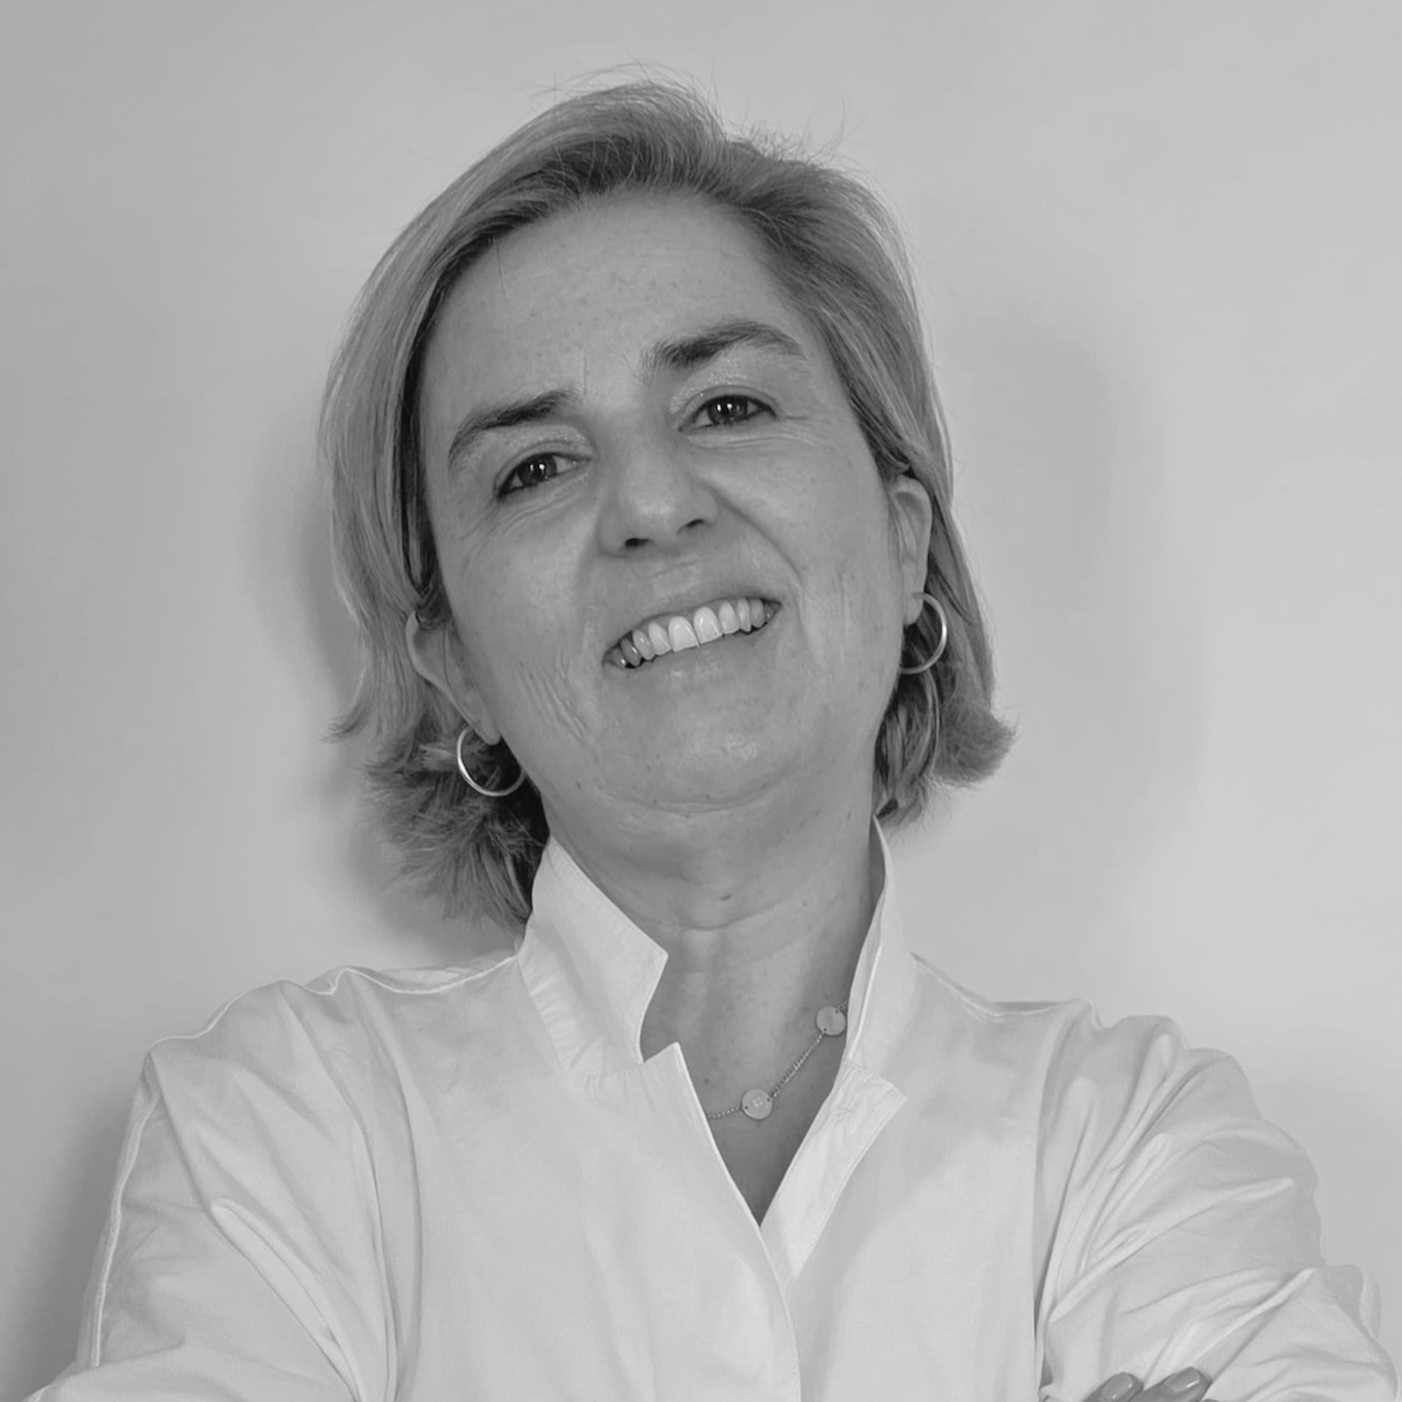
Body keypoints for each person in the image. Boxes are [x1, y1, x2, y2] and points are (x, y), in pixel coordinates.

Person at [29, 80, 1396, 1402]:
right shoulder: (281, 1131)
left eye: (726, 406)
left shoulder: (1137, 1139)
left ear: (903, 543)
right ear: (455, 669)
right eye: (534, 467)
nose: (650, 503)